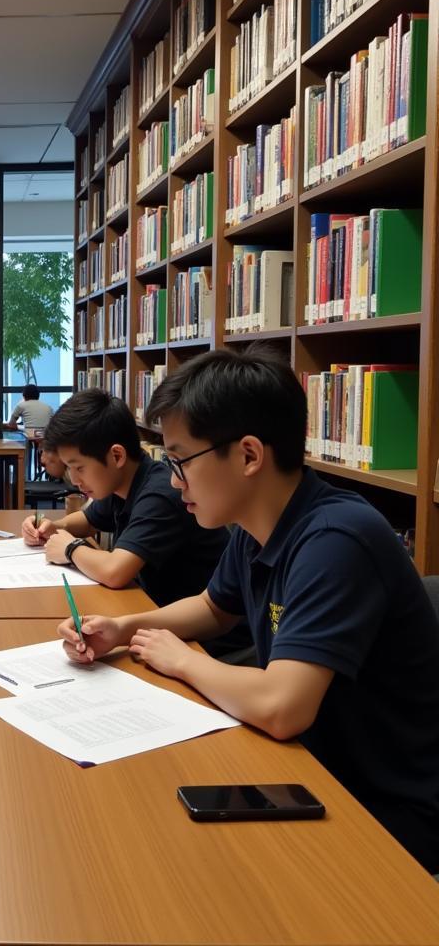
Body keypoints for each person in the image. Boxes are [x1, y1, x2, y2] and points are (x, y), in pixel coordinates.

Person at [57, 347, 439, 873]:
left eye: (180, 460)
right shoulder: (257, 525)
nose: (172, 481)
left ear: (249, 455)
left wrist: (184, 661)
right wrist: (123, 628)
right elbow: (214, 609)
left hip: (382, 809)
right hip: (311, 770)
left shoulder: (336, 539)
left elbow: (284, 707)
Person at [23, 388, 231, 613]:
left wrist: (70, 548)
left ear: (117, 456)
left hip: (204, 639)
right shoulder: (121, 483)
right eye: (69, 468)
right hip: (156, 613)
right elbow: (88, 520)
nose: (74, 480)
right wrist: (52, 527)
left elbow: (115, 572)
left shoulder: (160, 494)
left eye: (79, 467)